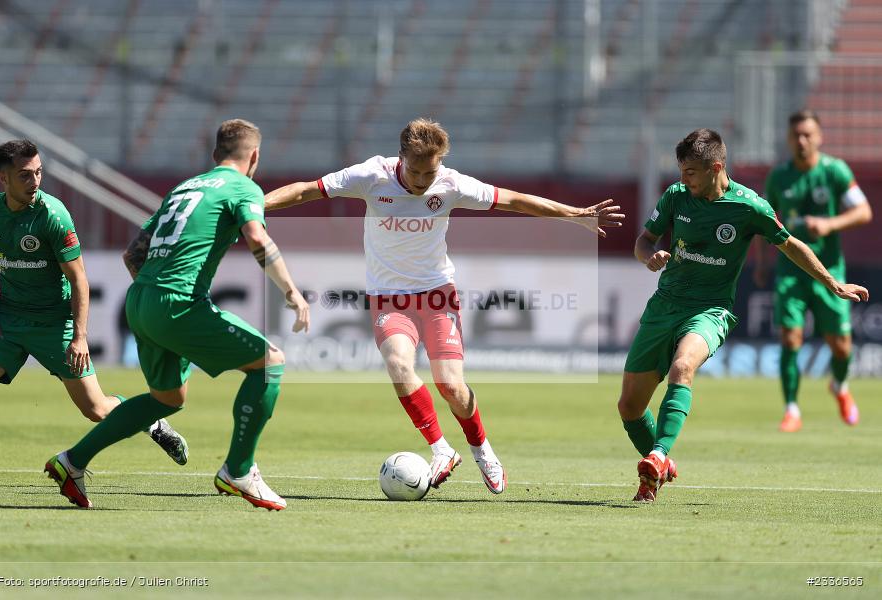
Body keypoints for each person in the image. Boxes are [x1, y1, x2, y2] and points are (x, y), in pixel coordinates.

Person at [263, 118, 624, 495]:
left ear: (441, 162)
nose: (422, 181)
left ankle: (481, 448)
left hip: (437, 295)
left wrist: (574, 215)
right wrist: (256, 207)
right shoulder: (371, 175)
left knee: (450, 385)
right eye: (416, 171)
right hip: (388, 296)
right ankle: (441, 449)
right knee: (399, 365)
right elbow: (307, 190)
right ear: (400, 157)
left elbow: (514, 200)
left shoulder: (451, 184)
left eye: (430, 171)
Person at [45, 119, 310, 510]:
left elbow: (132, 253)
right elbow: (257, 236)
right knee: (269, 363)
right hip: (178, 302)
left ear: (214, 154)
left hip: (140, 300)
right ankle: (238, 471)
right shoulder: (243, 187)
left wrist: (156, 307)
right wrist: (292, 292)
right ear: (254, 156)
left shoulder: (184, 188)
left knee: (166, 398)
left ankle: (72, 461)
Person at [619, 128, 868, 503]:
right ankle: (662, 460)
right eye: (681, 171)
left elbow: (790, 246)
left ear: (716, 167)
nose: (682, 180)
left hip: (710, 310)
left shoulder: (750, 206)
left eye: (690, 172)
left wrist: (833, 282)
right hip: (664, 306)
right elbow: (644, 239)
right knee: (629, 408)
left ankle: (656, 456)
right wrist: (647, 256)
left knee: (683, 366)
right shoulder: (676, 197)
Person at [0, 139, 187, 465]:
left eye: (38, 172)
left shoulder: (53, 215)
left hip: (55, 324)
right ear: (3, 178)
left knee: (96, 410)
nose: (35, 181)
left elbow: (79, 280)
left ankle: (149, 419)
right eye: (24, 175)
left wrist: (79, 336)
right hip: (9, 321)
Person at [754, 110, 872, 432]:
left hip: (830, 269)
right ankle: (791, 409)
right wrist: (762, 264)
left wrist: (829, 224)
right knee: (790, 337)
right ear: (789, 139)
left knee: (841, 346)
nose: (802, 141)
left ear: (819, 137)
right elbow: (764, 222)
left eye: (808, 134)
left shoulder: (834, 171)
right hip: (790, 271)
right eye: (796, 136)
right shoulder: (779, 178)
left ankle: (840, 386)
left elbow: (864, 211)